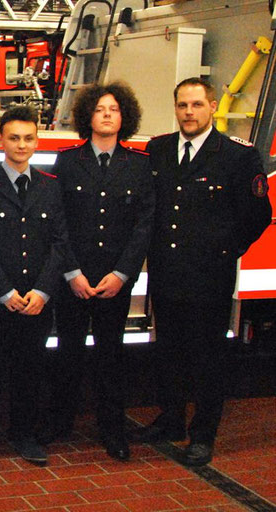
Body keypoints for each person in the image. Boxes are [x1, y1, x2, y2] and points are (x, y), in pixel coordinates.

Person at [139, 77, 271, 466]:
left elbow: (258, 214)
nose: (189, 113)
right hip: (166, 273)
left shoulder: (237, 155)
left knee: (208, 358)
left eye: (197, 105)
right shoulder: (158, 149)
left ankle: (203, 433)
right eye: (182, 105)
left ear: (212, 106)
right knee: (168, 352)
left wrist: (227, 251)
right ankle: (171, 420)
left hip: (209, 277)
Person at [41, 82, 154, 461]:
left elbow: (144, 225)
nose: (107, 114)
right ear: (87, 116)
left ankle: (112, 429)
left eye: (114, 109)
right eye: (100, 109)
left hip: (113, 282)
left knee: (111, 356)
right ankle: (60, 421)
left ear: (126, 118)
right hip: (73, 279)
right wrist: (71, 272)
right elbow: (57, 222)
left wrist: (122, 274)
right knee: (67, 352)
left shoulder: (139, 165)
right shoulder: (68, 161)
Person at [0, 105, 68, 467]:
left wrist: (43, 291)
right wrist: (5, 292)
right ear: (0, 140)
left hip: (37, 301)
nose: (21, 145)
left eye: (28, 138)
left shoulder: (51, 187)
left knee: (30, 372)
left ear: (37, 141)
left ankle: (24, 435)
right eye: (14, 138)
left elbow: (60, 243)